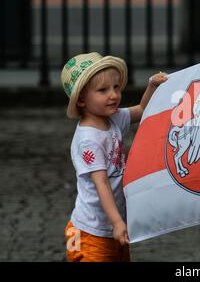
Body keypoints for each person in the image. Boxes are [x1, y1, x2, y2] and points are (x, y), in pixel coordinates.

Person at [61, 52, 167, 261]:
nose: (114, 95)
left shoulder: (113, 118)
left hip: (111, 227)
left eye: (116, 87)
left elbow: (143, 110)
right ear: (81, 100)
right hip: (87, 233)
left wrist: (152, 86)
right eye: (103, 90)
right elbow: (101, 183)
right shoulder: (88, 139)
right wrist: (118, 222)